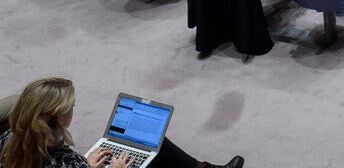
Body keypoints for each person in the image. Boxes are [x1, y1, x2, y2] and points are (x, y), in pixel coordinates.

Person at [0, 77, 243, 168]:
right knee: (150, 152)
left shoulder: (7, 139)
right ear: (60, 116)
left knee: (152, 146)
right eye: (71, 107)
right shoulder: (64, 160)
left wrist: (87, 165)